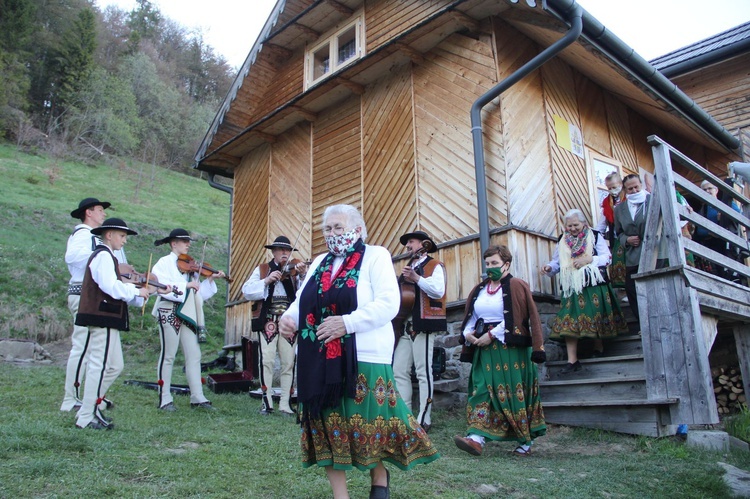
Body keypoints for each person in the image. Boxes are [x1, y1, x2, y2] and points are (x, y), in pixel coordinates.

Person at [278, 204, 439, 499]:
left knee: (365, 427)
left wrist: (347, 323)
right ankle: (342, 496)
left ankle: (379, 476)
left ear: (358, 229)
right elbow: (302, 300)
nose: (332, 233)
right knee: (327, 426)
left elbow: (389, 304)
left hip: (365, 355)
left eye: (339, 227)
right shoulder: (319, 263)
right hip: (319, 357)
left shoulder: (375, 256)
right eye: (327, 229)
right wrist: (288, 317)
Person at [453, 245, 546, 457]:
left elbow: (520, 316)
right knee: (481, 389)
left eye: (494, 263)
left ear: (506, 264)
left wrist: (493, 335)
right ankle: (476, 438)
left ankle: (524, 441)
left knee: (512, 393)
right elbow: (472, 317)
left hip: (510, 349)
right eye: (487, 264)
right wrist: (468, 334)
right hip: (483, 350)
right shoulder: (479, 289)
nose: (490, 268)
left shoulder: (517, 285)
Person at [74, 218, 159, 429]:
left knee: (114, 365)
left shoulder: (108, 257)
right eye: (122, 236)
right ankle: (86, 416)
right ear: (109, 235)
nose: (124, 241)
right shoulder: (103, 255)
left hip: (108, 317)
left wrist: (140, 294)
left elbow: (117, 289)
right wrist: (136, 290)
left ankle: (92, 406)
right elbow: (111, 287)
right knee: (98, 366)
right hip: (101, 316)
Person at [542, 209, 628, 373]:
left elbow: (607, 257)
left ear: (584, 223)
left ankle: (598, 346)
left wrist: (590, 259)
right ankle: (572, 360)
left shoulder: (595, 236)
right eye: (569, 226)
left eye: (576, 225)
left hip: (593, 284)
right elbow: (557, 262)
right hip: (571, 288)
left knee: (594, 316)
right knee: (568, 319)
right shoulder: (562, 240)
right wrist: (549, 268)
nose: (572, 228)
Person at [151, 228, 225, 411]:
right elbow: (159, 284)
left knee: (194, 354)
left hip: (189, 311)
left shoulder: (192, 268)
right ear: (173, 243)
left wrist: (209, 280)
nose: (188, 244)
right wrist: (185, 285)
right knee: (168, 354)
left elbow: (200, 294)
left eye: (188, 241)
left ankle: (197, 397)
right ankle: (164, 398)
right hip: (169, 309)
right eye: (184, 241)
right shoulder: (163, 262)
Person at [61, 197, 124, 412]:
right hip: (83, 294)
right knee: (82, 348)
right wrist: (103, 256)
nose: (103, 214)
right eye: (99, 210)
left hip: (95, 296)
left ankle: (91, 397)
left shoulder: (94, 238)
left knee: (96, 352)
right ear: (89, 212)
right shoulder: (83, 233)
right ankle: (71, 399)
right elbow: (72, 256)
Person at [242, 235, 307, 415]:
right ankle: (267, 401)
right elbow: (246, 291)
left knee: (288, 361)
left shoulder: (295, 271)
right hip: (268, 320)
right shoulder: (263, 269)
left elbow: (304, 293)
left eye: (288, 250)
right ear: (274, 252)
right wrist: (267, 281)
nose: (285, 253)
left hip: (288, 321)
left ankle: (285, 403)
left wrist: (302, 275)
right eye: (281, 250)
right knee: (267, 360)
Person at [392, 230, 446, 433]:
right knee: (399, 370)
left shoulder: (435, 265)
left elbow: (438, 291)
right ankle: (405, 416)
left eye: (411, 242)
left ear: (424, 244)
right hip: (405, 324)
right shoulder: (409, 267)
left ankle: (424, 418)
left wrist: (416, 278)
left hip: (424, 323)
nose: (408, 246)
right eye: (407, 243)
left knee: (423, 372)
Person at [613, 174, 650, 324]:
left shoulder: (652, 201)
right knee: (632, 289)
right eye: (630, 189)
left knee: (651, 287)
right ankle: (642, 323)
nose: (634, 190)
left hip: (653, 252)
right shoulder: (620, 209)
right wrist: (626, 240)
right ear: (625, 190)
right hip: (632, 255)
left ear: (641, 185)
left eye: (636, 187)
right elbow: (619, 232)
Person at [693, 180, 743, 280]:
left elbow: (739, 217)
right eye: (704, 189)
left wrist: (726, 216)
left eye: (709, 188)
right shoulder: (702, 210)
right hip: (713, 245)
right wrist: (713, 231)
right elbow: (699, 231)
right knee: (718, 273)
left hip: (728, 244)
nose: (707, 191)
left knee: (732, 272)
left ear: (716, 190)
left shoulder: (727, 204)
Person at [594, 172, 627, 288]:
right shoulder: (607, 202)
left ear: (621, 184)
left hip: (632, 234)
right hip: (617, 237)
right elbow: (602, 223)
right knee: (617, 262)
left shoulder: (629, 195)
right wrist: (595, 234)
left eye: (614, 187)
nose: (612, 190)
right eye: (609, 188)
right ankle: (623, 290)